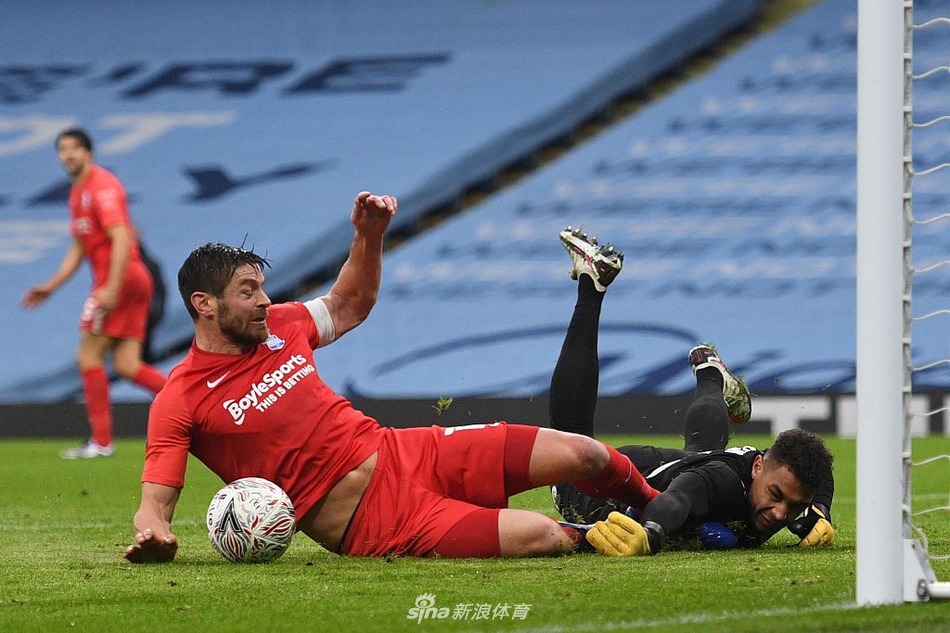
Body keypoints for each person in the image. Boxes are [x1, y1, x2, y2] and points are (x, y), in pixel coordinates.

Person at [124, 191, 664, 563]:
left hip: (409, 452)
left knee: (584, 454)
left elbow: (350, 302)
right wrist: (154, 537)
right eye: (248, 292)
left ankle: (662, 511)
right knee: (541, 535)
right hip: (375, 521)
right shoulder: (180, 399)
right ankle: (599, 535)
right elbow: (156, 503)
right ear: (205, 304)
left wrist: (369, 235)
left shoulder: (283, 325)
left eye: (262, 287)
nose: (265, 300)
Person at [549, 227, 836, 556]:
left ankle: (711, 375)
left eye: (795, 506)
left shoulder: (780, 474)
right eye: (776, 495)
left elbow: (820, 470)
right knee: (568, 451)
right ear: (757, 466)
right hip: (612, 480)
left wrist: (821, 508)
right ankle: (591, 285)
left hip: (674, 466)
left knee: (703, 453)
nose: (781, 515)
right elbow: (678, 499)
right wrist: (651, 533)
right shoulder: (722, 482)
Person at [21, 127, 167, 459]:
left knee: (87, 356)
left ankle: (101, 442)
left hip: (121, 278)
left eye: (75, 147)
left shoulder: (102, 187)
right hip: (129, 279)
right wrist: (51, 286)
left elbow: (121, 238)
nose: (68, 154)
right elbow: (79, 246)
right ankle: (195, 405)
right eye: (63, 149)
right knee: (127, 365)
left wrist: (111, 287)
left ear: (89, 152)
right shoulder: (78, 192)